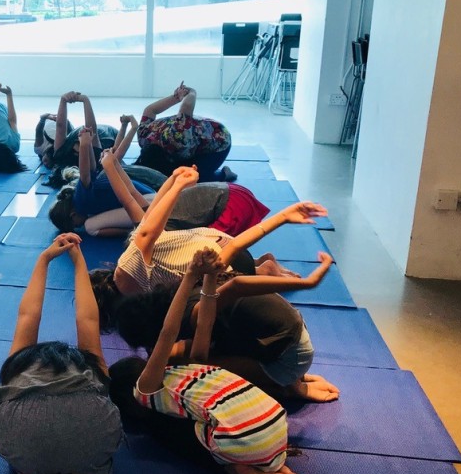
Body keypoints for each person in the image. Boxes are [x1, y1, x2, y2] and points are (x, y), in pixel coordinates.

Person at [90, 161, 339, 402]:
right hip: (285, 327)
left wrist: (307, 283)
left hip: (292, 354)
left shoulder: (194, 310)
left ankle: (287, 386)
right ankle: (288, 375)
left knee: (188, 367)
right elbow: (237, 245)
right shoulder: (193, 280)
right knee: (195, 346)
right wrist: (283, 215)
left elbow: (193, 352)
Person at [109, 249, 303, 474]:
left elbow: (168, 333)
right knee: (214, 412)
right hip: (277, 420)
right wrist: (208, 276)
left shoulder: (144, 390)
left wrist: (192, 276)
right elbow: (205, 322)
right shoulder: (193, 363)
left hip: (250, 440)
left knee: (178, 428)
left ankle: (240, 469)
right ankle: (265, 459)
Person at [0, 234, 123, 474]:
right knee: (107, 418)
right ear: (72, 361)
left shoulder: (19, 364)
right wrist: (79, 261)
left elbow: (28, 313)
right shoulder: (90, 364)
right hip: (89, 431)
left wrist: (44, 259)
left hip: (24, 432)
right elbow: (87, 316)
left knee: (6, 428)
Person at [50, 147, 270, 238]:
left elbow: (128, 198)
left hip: (230, 202)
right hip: (231, 194)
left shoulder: (148, 220)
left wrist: (110, 165)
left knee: (214, 256)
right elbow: (129, 195)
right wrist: (112, 164)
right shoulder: (152, 211)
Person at [135, 82, 237, 182]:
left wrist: (190, 92)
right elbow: (150, 110)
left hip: (220, 140)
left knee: (193, 178)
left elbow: (187, 106)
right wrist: (177, 97)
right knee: (182, 178)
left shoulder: (177, 140)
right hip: (197, 132)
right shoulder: (143, 136)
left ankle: (224, 174)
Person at [39, 91, 118, 172]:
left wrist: (63, 100)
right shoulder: (94, 156)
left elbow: (60, 126)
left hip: (88, 134)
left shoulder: (60, 153)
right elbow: (92, 128)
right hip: (112, 135)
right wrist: (85, 99)